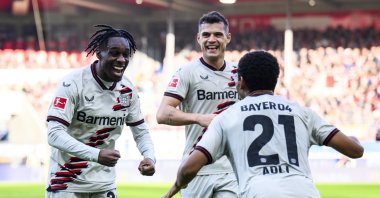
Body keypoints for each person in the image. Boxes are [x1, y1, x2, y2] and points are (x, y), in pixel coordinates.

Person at [162, 51, 364, 198]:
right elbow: (355, 150)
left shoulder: (227, 117)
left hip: (259, 192)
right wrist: (352, 139)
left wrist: (173, 190)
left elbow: (189, 168)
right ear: (275, 80)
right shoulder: (302, 113)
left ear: (241, 82)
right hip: (305, 192)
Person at [45, 24, 156, 198]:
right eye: (114, 53)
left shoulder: (127, 90)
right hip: (66, 184)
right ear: (99, 53)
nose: (121, 59)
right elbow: (54, 134)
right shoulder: (73, 84)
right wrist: (96, 154)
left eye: (126, 55)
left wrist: (150, 157)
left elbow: (141, 132)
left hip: (104, 185)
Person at [156, 11, 239, 197]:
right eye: (206, 34)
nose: (212, 39)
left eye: (218, 34)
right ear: (198, 38)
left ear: (228, 37)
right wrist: (199, 118)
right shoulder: (186, 73)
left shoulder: (240, 74)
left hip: (231, 169)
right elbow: (162, 114)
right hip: (196, 168)